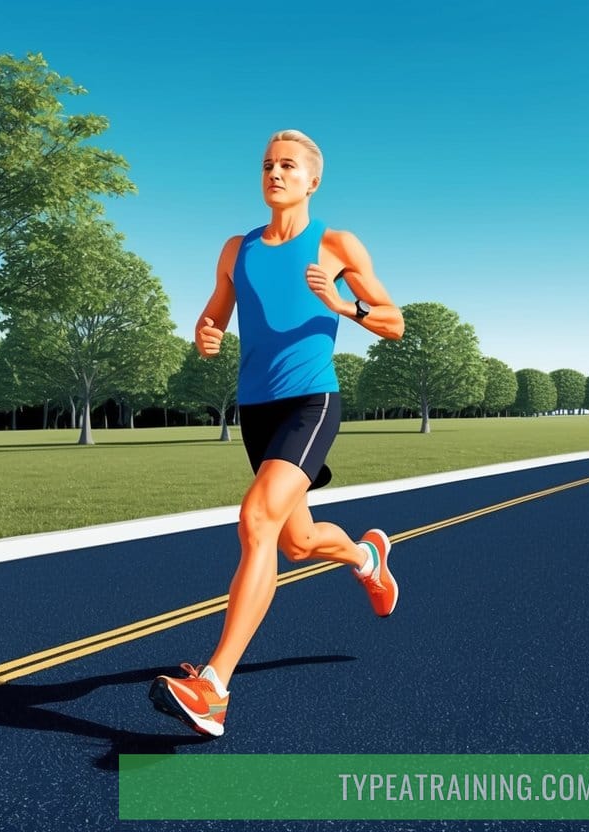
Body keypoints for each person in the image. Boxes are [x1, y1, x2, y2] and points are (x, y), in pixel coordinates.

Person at [149, 130, 405, 737]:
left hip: (311, 401)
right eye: (268, 165)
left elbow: (394, 322)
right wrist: (206, 333)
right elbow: (215, 312)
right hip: (257, 408)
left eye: (287, 165)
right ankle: (367, 557)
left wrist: (343, 305)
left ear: (312, 180)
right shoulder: (236, 249)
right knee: (296, 542)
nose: (275, 173)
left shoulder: (336, 244)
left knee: (256, 521)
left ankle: (214, 687)